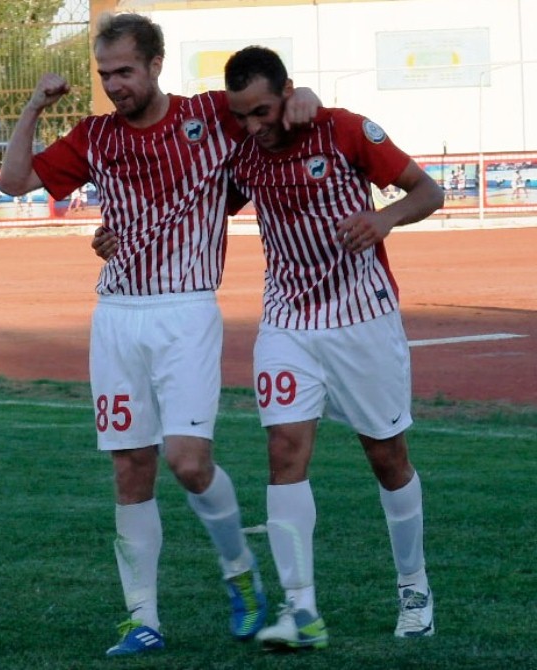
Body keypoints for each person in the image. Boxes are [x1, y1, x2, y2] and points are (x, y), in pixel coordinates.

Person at [0, 13, 319, 659]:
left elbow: (278, 108)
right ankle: (142, 618)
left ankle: (239, 570)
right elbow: (14, 182)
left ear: (154, 64)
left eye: (125, 71)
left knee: (188, 462)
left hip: (187, 312)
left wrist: (303, 94)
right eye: (105, 74)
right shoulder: (94, 136)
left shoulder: (209, 115)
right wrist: (34, 106)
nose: (115, 85)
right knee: (129, 467)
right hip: (116, 317)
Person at [222, 46, 444, 650]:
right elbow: (203, 206)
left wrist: (384, 219)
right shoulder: (243, 152)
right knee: (283, 452)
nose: (253, 126)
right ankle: (301, 611)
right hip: (287, 322)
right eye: (241, 115)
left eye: (262, 111)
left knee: (387, 458)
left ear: (287, 92)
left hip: (363, 320)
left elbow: (428, 191)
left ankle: (414, 587)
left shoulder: (344, 130)